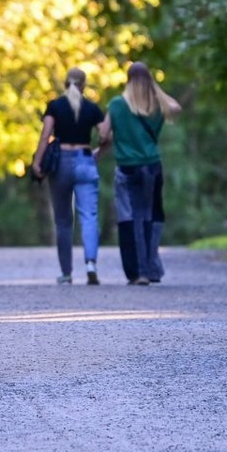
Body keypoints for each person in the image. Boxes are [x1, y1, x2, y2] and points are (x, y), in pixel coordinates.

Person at [99, 62, 181, 285]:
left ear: (127, 80)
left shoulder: (117, 104)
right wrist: (155, 90)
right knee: (151, 216)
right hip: (153, 166)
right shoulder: (156, 104)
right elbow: (175, 107)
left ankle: (138, 271)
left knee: (130, 217)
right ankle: (152, 266)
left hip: (128, 168)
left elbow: (103, 134)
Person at [32, 67, 107, 285]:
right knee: (89, 216)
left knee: (64, 220)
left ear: (66, 84)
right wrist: (99, 153)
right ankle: (91, 263)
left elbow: (45, 135)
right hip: (86, 160)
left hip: (61, 163)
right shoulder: (92, 108)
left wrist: (37, 161)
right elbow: (105, 134)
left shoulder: (55, 106)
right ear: (84, 85)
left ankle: (66, 273)